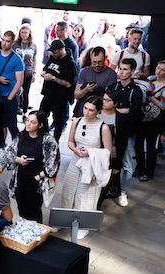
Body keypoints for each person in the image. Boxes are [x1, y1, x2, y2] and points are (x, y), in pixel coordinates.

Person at [61, 97, 112, 239]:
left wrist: (90, 152)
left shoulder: (103, 127)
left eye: (91, 110)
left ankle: (83, 225)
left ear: (98, 111)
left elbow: (108, 152)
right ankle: (63, 220)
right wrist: (76, 150)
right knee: (68, 190)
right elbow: (70, 142)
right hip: (75, 161)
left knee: (85, 195)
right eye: (85, 108)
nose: (87, 112)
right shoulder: (76, 121)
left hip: (91, 165)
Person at [6, 110, 60, 223]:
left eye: (33, 122)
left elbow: (53, 162)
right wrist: (18, 160)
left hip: (36, 181)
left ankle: (35, 235)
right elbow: (9, 153)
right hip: (20, 178)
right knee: (22, 209)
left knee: (34, 212)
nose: (28, 124)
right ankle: (23, 233)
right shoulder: (21, 136)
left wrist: (39, 176)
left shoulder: (48, 140)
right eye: (27, 120)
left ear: (40, 125)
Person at [107, 58, 143, 207]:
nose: (121, 72)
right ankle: (107, 188)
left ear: (132, 71)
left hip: (127, 132)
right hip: (109, 130)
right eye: (120, 69)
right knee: (106, 160)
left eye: (125, 69)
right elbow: (105, 106)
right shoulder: (112, 86)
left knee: (127, 164)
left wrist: (116, 111)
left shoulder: (136, 91)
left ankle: (123, 192)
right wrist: (121, 110)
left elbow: (134, 115)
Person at [0, 30, 24, 143]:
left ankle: (18, 147)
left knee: (12, 125)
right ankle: (0, 145)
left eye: (7, 41)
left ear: (12, 42)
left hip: (9, 96)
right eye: (3, 40)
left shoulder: (16, 59)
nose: (4, 43)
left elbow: (20, 81)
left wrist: (10, 97)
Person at [39, 39, 76, 141]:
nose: (53, 54)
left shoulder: (70, 63)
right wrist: (44, 73)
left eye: (55, 52)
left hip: (60, 97)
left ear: (61, 50)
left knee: (58, 121)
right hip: (48, 94)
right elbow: (47, 68)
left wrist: (53, 78)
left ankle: (55, 142)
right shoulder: (53, 57)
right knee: (41, 116)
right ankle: (42, 137)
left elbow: (69, 84)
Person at [134, 60, 165, 181]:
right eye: (158, 68)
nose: (159, 71)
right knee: (138, 144)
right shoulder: (150, 80)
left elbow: (163, 106)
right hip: (142, 116)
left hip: (156, 119)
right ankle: (139, 167)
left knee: (151, 146)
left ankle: (149, 172)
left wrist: (151, 96)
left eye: (163, 70)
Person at [73, 46, 117, 117]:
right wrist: (86, 89)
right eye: (94, 62)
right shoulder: (84, 72)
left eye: (100, 62)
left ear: (105, 59)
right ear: (90, 59)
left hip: (100, 109)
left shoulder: (111, 74)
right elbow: (77, 95)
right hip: (84, 106)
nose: (97, 65)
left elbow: (109, 98)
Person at [13, 24, 37, 122]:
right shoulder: (15, 44)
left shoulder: (33, 45)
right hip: (16, 72)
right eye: (22, 32)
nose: (24, 34)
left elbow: (35, 59)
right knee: (16, 92)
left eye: (26, 32)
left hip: (28, 71)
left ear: (29, 33)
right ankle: (14, 110)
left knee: (26, 93)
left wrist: (34, 72)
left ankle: (24, 113)